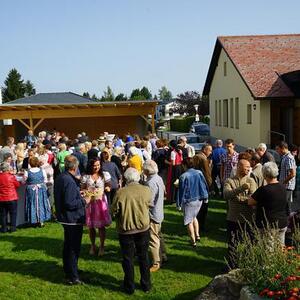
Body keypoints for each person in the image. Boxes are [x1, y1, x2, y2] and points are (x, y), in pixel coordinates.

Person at [111, 168, 152, 295]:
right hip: (142, 228)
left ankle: (129, 286)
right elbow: (150, 204)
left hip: (126, 229)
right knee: (143, 256)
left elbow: (113, 211)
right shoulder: (146, 190)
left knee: (128, 258)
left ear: (126, 178)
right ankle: (146, 284)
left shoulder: (120, 193)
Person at [54, 155, 91, 285]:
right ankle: (72, 276)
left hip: (66, 218)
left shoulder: (62, 177)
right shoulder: (68, 180)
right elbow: (69, 203)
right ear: (75, 166)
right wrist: (84, 200)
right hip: (72, 219)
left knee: (69, 246)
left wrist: (78, 194)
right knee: (73, 248)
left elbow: (66, 197)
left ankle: (70, 270)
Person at [223, 159, 257, 268]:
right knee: (233, 244)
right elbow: (226, 195)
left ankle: (246, 266)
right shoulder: (229, 181)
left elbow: (252, 198)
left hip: (248, 219)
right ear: (239, 167)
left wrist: (238, 199)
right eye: (246, 166)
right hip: (233, 218)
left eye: (249, 167)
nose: (249, 169)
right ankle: (232, 266)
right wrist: (242, 188)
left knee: (249, 244)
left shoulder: (251, 181)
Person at [248, 162, 288, 246]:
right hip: (282, 222)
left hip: (269, 224)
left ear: (264, 174)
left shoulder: (263, 190)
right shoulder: (283, 187)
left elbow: (250, 201)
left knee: (268, 251)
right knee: (280, 249)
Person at [81, 158, 112, 256]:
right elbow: (82, 189)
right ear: (91, 166)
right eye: (95, 165)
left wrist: (107, 188)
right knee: (91, 226)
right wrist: (86, 192)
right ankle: (93, 245)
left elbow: (109, 186)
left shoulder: (104, 175)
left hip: (100, 202)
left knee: (101, 226)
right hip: (90, 202)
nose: (97, 167)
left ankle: (102, 246)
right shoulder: (86, 176)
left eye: (98, 165)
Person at [177, 158, 209, 247]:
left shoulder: (183, 176)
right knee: (194, 217)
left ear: (184, 165)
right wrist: (206, 196)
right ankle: (197, 235)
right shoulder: (199, 172)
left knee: (188, 221)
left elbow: (181, 191)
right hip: (199, 199)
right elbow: (204, 184)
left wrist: (179, 204)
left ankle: (193, 241)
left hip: (189, 201)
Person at [143, 160, 167, 272]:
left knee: (153, 238)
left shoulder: (151, 182)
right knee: (159, 235)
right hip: (159, 211)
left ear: (147, 170)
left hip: (153, 213)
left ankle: (156, 262)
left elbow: (150, 201)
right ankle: (163, 255)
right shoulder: (158, 178)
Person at [24, 157, 51, 226]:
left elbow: (23, 181)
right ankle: (41, 221)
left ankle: (33, 220)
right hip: (41, 188)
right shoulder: (42, 170)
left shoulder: (27, 171)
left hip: (31, 189)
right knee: (41, 203)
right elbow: (45, 180)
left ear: (30, 163)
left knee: (32, 203)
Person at [193, 143, 213, 233]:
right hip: (203, 185)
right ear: (205, 150)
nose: (211, 152)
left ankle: (197, 224)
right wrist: (210, 185)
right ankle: (200, 226)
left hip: (196, 185)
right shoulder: (203, 158)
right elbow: (207, 174)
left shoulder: (196, 156)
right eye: (210, 150)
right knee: (203, 207)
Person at [0, 162, 22, 233]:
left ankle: (4, 228)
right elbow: (18, 185)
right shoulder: (11, 176)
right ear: (7, 169)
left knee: (3, 214)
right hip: (11, 197)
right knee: (13, 213)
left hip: (2, 198)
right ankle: (13, 228)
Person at [276, 141, 296, 215]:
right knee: (285, 205)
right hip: (284, 185)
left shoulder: (289, 158)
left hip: (287, 186)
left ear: (283, 148)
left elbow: (292, 174)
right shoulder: (285, 157)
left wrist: (283, 183)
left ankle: (289, 223)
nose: (277, 151)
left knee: (286, 206)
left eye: (277, 149)